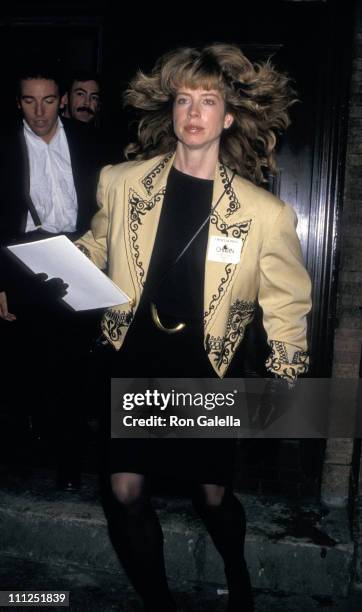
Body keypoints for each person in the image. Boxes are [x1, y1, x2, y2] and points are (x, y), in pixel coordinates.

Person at [75, 43, 312, 611]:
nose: (195, 111)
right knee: (125, 489)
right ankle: (159, 603)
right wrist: (55, 265)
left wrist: (285, 379)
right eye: (185, 99)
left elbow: (286, 298)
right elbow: (97, 246)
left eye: (209, 100)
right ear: (172, 110)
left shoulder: (263, 213)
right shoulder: (123, 181)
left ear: (228, 117)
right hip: (136, 353)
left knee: (212, 495)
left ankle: (236, 567)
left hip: (206, 365)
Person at [0, 61, 104, 489]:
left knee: (76, 364)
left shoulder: (90, 143)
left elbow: (107, 210)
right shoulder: (5, 147)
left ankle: (70, 464)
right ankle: (22, 458)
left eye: (47, 101)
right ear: (18, 102)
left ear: (62, 101)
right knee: (25, 364)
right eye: (29, 101)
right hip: (22, 262)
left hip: (80, 256)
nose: (39, 112)